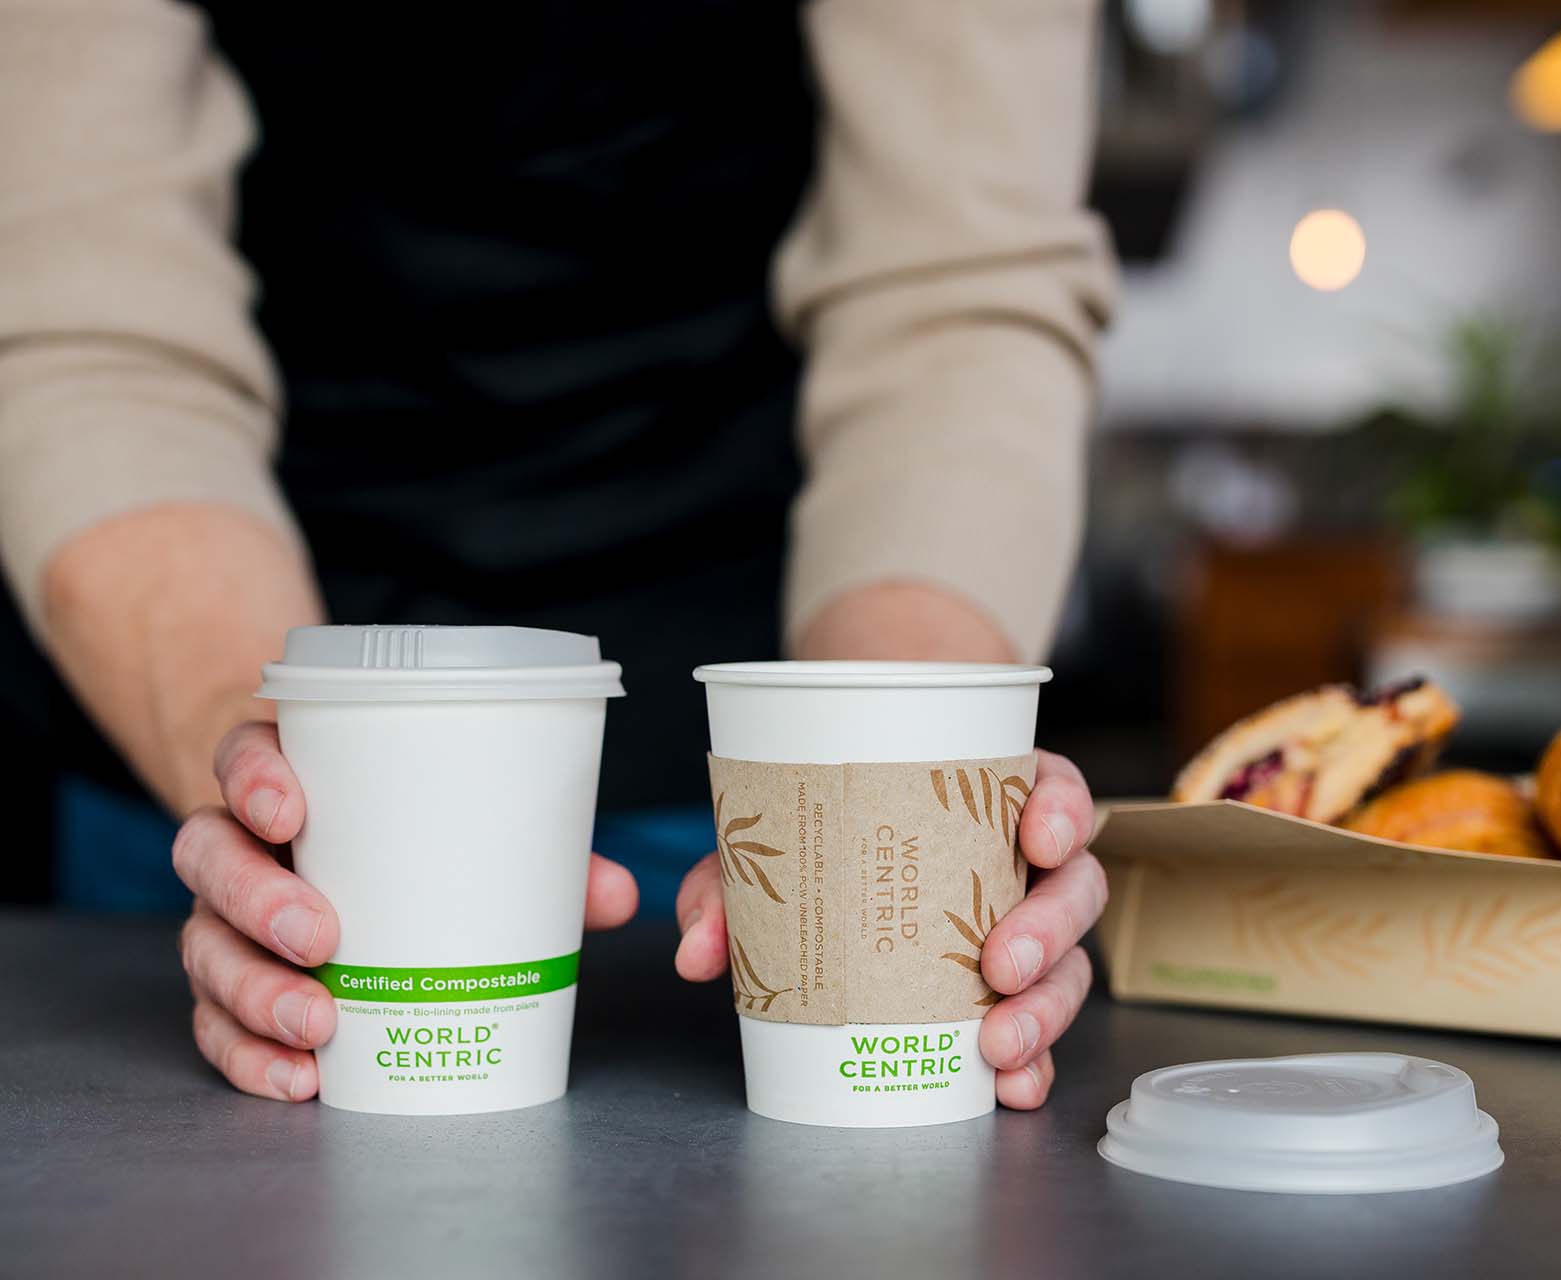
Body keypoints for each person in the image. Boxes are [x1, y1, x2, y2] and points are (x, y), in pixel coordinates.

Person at [0, 0, 1116, 1109]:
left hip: (733, 716)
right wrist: (271, 798)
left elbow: (956, 288)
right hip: (201, 635)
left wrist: (901, 773)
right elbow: (85, 310)